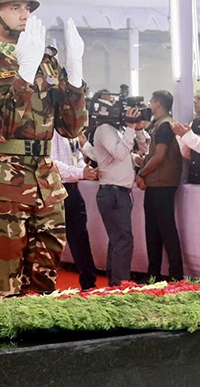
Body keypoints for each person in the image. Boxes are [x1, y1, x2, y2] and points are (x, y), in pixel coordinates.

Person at [0, 0, 88, 296]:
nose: (25, 15)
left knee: (44, 287)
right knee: (6, 288)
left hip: (45, 182)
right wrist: (24, 74)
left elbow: (71, 128)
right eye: (15, 7)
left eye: (27, 8)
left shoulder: (47, 63)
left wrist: (75, 74)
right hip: (0, 186)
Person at [81, 102, 148, 286]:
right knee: (123, 240)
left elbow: (144, 151)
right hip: (112, 192)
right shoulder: (104, 130)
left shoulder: (118, 131)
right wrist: (130, 127)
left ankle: (115, 281)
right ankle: (120, 283)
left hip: (120, 192)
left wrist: (139, 129)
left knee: (118, 239)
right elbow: (119, 153)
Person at [136, 91, 184, 282]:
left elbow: (159, 156)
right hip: (156, 183)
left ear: (157, 103)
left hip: (162, 184)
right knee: (153, 230)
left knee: (165, 230)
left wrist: (142, 173)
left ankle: (175, 274)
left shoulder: (165, 125)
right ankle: (154, 273)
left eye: (151, 101)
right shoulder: (159, 124)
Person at [51, 129, 98, 290]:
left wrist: (86, 170)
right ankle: (45, 288)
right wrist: (80, 172)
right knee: (52, 241)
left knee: (81, 238)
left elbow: (77, 157)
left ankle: (88, 285)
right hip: (56, 190)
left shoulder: (72, 133)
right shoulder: (52, 131)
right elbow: (52, 163)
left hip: (73, 189)